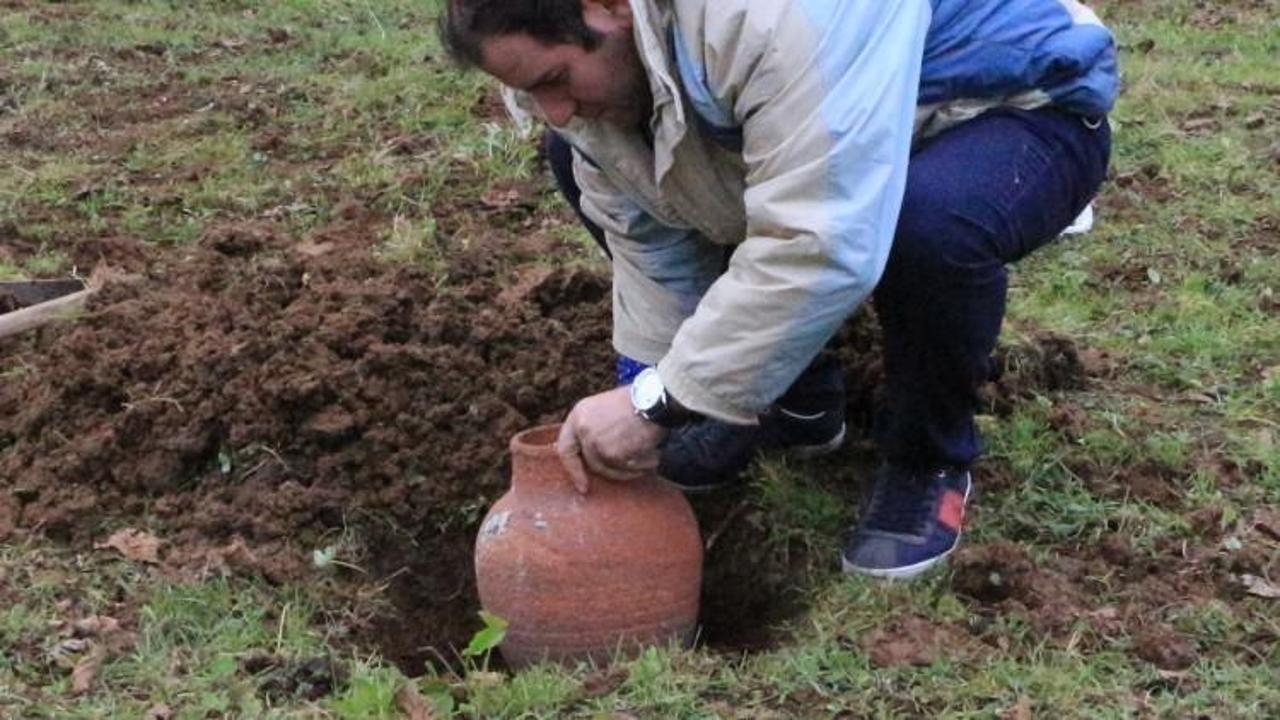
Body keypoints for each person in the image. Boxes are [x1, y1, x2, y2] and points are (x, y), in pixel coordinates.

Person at [441, 0, 1116, 579]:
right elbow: (652, 236)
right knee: (583, 148)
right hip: (824, 127)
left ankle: (926, 461)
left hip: (1012, 108)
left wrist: (653, 403)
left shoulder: (767, 18)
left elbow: (819, 242)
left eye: (556, 78)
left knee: (924, 226)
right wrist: (650, 383)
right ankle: (793, 405)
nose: (551, 108)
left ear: (608, 6)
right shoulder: (588, 79)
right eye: (531, 91)